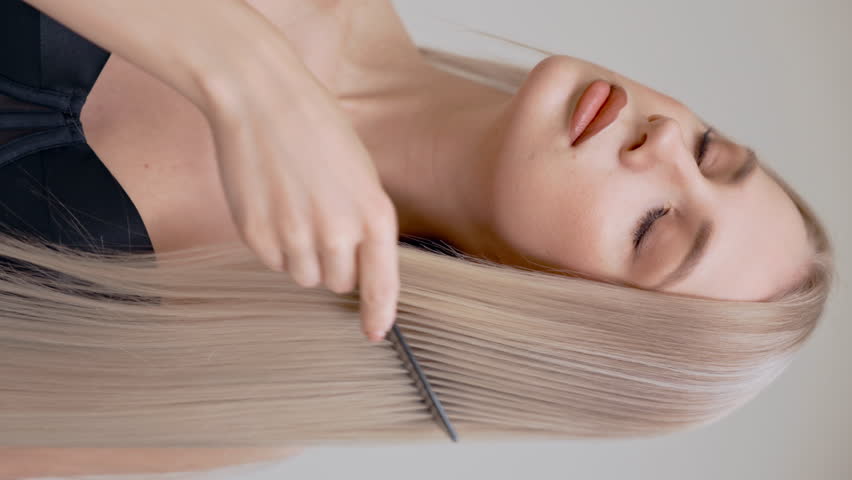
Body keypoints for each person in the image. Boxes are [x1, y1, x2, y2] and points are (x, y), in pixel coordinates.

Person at [0, 0, 833, 478]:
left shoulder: (244, 397)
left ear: (559, 322)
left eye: (655, 230)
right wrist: (249, 74)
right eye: (708, 149)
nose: (662, 146)